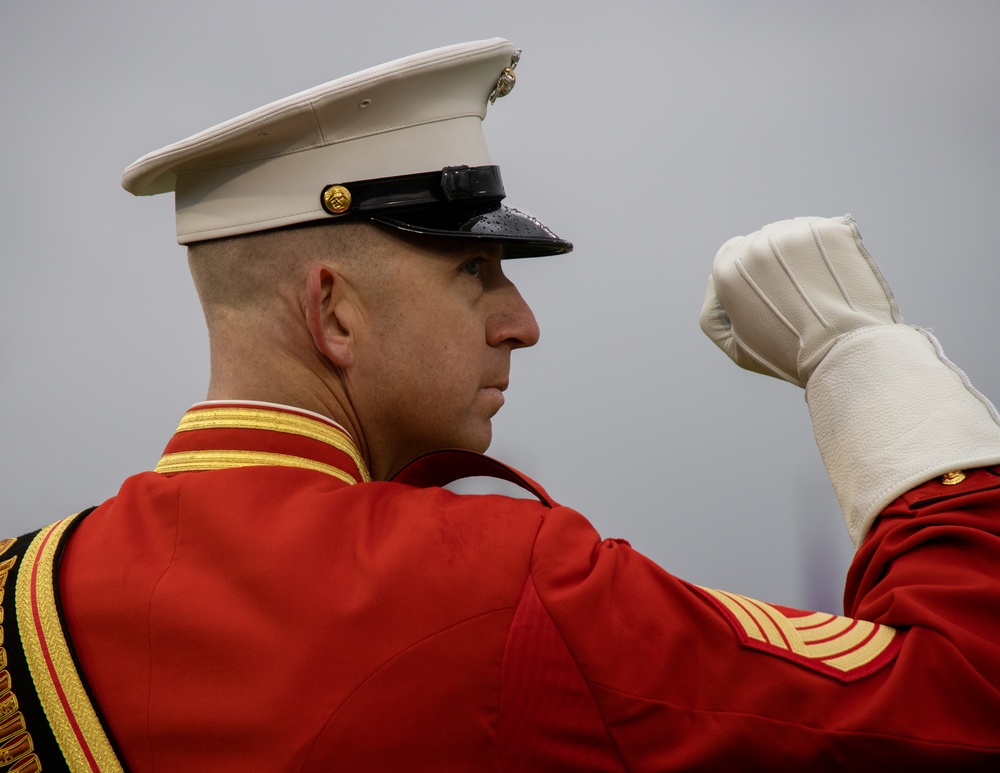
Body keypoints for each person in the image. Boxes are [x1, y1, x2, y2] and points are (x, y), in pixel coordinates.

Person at [1, 38, 998, 772]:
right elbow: (959, 698)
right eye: (474, 270)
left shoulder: (17, 592)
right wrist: (864, 362)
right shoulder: (506, 581)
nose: (520, 322)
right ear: (333, 309)